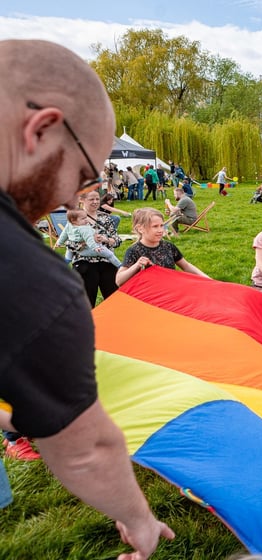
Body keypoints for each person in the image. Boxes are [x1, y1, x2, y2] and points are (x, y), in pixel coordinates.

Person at [0, 38, 174, 556]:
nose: (68, 198)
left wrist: (18, 417)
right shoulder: (29, 279)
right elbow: (86, 449)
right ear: (41, 130)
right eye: (81, 175)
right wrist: (138, 518)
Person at [117, 208, 209, 286]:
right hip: (149, 298)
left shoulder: (168, 246)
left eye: (162, 225)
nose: (160, 230)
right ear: (140, 229)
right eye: (155, 226)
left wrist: (208, 279)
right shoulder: (134, 251)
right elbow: (119, 281)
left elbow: (186, 266)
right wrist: (136, 266)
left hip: (171, 292)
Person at [68, 189, 123, 306]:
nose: (95, 202)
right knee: (86, 303)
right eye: (91, 199)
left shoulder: (105, 217)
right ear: (82, 200)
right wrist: (86, 242)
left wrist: (105, 239)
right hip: (85, 263)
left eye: (97, 199)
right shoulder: (75, 217)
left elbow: (117, 240)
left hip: (106, 261)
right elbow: (69, 244)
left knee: (114, 299)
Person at [56, 209, 122, 267]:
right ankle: (119, 265)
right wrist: (95, 247)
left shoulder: (69, 225)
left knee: (69, 251)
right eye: (83, 218)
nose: (86, 220)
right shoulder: (84, 228)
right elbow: (89, 239)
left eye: (86, 217)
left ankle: (66, 262)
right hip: (89, 250)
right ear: (73, 220)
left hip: (76, 249)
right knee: (109, 254)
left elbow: (63, 234)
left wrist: (59, 242)